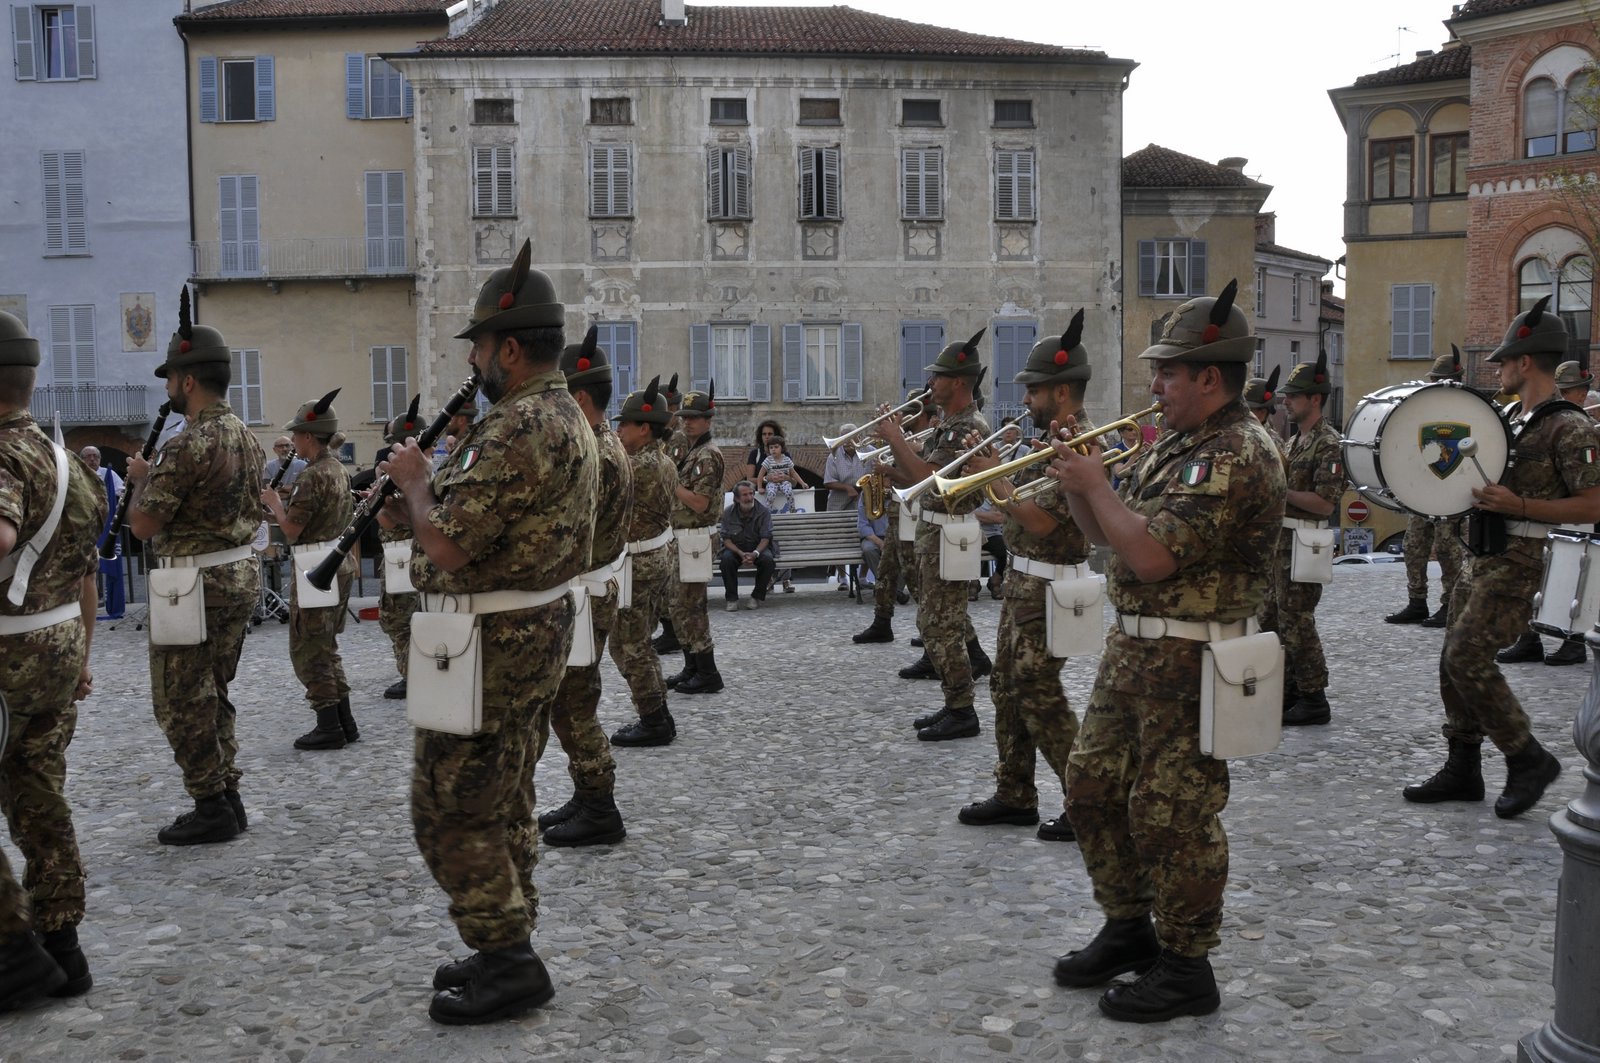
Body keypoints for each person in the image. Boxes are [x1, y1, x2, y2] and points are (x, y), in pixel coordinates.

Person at [1045, 280, 1283, 1023]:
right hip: (1134, 652)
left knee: (1171, 815)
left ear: (1210, 377)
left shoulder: (1238, 451)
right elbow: (1101, 537)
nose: (1154, 387)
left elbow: (1150, 557)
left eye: (1167, 373)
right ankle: (1127, 927)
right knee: (1089, 787)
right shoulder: (1179, 444)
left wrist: (1097, 484)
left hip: (1192, 660)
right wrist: (1082, 483)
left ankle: (1187, 963)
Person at [379, 239, 597, 1025]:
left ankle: (509, 957)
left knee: (449, 805)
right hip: (531, 630)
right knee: (506, 795)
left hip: (493, 642)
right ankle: (508, 929)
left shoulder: (517, 426)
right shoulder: (563, 414)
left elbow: (446, 544)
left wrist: (414, 483)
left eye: (478, 347)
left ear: (509, 346)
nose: (474, 362)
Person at [1403, 295, 1600, 821]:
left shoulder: (1569, 426)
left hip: (1524, 559)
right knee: (1452, 660)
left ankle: (1527, 757)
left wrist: (1522, 505)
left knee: (1468, 656)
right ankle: (1463, 766)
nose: (1500, 370)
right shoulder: (1511, 416)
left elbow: (1594, 502)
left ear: (1526, 362)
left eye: (1506, 361)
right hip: (1484, 552)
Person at [127, 289, 264, 847]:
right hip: (234, 575)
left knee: (180, 698)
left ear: (187, 381)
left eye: (170, 379)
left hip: (192, 584)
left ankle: (211, 802)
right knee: (214, 689)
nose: (168, 390)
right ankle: (226, 791)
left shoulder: (188, 444)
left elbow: (143, 525)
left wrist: (140, 478)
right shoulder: (247, 437)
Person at [956, 312, 1095, 844]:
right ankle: (1015, 793)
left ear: (1060, 391)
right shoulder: (1052, 436)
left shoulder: (1080, 442)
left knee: (1039, 694)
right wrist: (999, 485)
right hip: (1024, 582)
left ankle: (1086, 803)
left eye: (1034, 391)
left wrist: (995, 483)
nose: (1028, 401)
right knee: (1008, 692)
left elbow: (1040, 519)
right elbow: (1020, 513)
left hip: (1052, 586)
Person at [0, 310, 104, 1010]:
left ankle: (12, 954)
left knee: (34, 793)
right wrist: (85, 654)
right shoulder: (67, 461)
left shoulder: (3, 454)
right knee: (41, 794)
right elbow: (88, 570)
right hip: (61, 644)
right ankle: (63, 944)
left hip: (8, 655)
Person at [536, 326, 631, 847]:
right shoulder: (607, 441)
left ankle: (600, 807)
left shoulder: (591, 451)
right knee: (574, 702)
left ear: (577, 398)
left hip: (582, 592)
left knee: (574, 707)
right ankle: (586, 794)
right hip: (592, 588)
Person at [875, 330, 993, 740]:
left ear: (959, 382)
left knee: (941, 626)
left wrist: (895, 439)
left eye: (938, 377)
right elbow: (918, 475)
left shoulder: (966, 427)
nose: (931, 384)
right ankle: (954, 703)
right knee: (938, 623)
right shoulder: (950, 425)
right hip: (936, 536)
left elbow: (930, 480)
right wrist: (893, 455)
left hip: (947, 537)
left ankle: (962, 710)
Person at [260, 390, 358, 751]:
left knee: (308, 648)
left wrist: (274, 503)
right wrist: (273, 513)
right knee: (327, 645)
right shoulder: (337, 470)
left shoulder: (311, 476)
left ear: (306, 437)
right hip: (335, 560)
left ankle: (328, 724)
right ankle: (344, 721)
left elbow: (292, 531)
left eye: (297, 436)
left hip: (314, 567)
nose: (294, 444)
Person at [1260, 350, 1345, 727]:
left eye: (1293, 397)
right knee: (1273, 621)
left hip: (1304, 545)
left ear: (1315, 398)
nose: (1286, 402)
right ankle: (1289, 690)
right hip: (1283, 546)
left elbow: (1325, 503)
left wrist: (1280, 492)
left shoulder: (1328, 444)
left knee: (1297, 622)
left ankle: (1314, 696)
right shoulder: (1295, 442)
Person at [1494, 357, 1597, 667]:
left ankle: (1574, 641)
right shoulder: (1549, 417)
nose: (1566, 397)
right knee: (1537, 579)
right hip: (1549, 512)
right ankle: (1528, 639)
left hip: (1579, 511)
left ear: (1582, 392)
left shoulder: (1582, 418)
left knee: (1576, 573)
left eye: (1572, 391)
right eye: (1562, 390)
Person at [609, 377, 681, 748]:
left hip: (639, 563)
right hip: (652, 558)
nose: (617, 430)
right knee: (640, 643)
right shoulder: (659, 460)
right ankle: (659, 714)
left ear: (644, 428)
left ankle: (652, 718)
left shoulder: (638, 466)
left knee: (627, 646)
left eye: (623, 424)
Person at [1387, 348, 1468, 629]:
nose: (1433, 384)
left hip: (1453, 494)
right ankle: (1417, 602)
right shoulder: (1423, 411)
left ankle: (1450, 605)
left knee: (1449, 550)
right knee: (1413, 546)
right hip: (1423, 492)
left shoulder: (1470, 411)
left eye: (1438, 379)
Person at [852, 391, 933, 645]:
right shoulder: (906, 440)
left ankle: (931, 629)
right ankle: (881, 623)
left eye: (907, 414)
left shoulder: (928, 442)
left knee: (913, 577)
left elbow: (918, 478)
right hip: (897, 515)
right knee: (886, 573)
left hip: (913, 514)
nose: (903, 418)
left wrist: (887, 468)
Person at [663, 384, 725, 697]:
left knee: (693, 606)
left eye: (694, 417)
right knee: (678, 605)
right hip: (683, 537)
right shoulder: (690, 450)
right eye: (685, 416)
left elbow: (700, 503)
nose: (687, 422)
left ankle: (708, 671)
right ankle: (692, 666)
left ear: (708, 420)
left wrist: (670, 481)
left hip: (697, 538)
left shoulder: (708, 455)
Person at [377, 408, 422, 700]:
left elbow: (388, 520)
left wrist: (377, 503)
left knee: (399, 618)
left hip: (400, 553)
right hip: (412, 552)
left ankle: (411, 676)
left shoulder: (405, 474)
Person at [652, 374, 687, 654]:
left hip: (676, 518)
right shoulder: (665, 436)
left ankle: (675, 632)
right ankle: (669, 630)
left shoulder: (677, 439)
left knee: (670, 582)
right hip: (665, 518)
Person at [823, 427, 873, 591]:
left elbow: (875, 474)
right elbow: (828, 481)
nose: (850, 442)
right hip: (839, 501)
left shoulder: (869, 451)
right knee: (838, 538)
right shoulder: (834, 456)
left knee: (865, 535)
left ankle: (863, 577)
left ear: (859, 437)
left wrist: (861, 489)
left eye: (854, 437)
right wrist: (847, 488)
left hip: (864, 497)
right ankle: (843, 578)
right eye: (846, 438)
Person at [80, 445, 126, 619]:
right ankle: (85, 608)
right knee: (85, 568)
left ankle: (113, 607)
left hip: (105, 526)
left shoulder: (109, 474)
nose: (92, 459)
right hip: (85, 526)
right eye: (88, 456)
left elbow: (122, 492)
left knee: (110, 565)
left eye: (95, 456)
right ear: (82, 459)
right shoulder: (78, 473)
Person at [718, 480, 775, 610]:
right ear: (737, 498)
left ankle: (756, 597)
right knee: (726, 560)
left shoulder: (763, 512)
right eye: (745, 495)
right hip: (736, 548)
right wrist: (740, 553)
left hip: (758, 547)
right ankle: (732, 599)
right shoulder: (728, 513)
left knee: (768, 561)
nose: (749, 498)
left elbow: (766, 537)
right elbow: (726, 539)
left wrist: (755, 553)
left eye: (751, 494)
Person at [756, 436, 798, 513]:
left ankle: (792, 510)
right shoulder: (768, 460)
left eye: (776, 447)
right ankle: (767, 512)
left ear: (782, 448)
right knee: (771, 494)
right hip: (772, 482)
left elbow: (794, 473)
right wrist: (759, 487)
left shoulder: (787, 459)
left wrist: (802, 483)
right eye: (771, 447)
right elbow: (760, 474)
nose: (773, 449)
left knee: (789, 492)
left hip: (784, 482)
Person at [975, 499, 1007, 599]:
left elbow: (998, 518)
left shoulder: (992, 496)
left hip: (991, 535)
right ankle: (973, 582)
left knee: (1005, 552)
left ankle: (995, 580)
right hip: (971, 533)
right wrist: (987, 516)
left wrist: (973, 515)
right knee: (964, 551)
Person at [857, 489, 889, 589]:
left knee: (903, 550)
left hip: (895, 535)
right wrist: (879, 542)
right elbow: (862, 526)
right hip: (873, 537)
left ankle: (896, 589)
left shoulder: (898, 490)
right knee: (868, 549)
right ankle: (884, 583)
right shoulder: (866, 494)